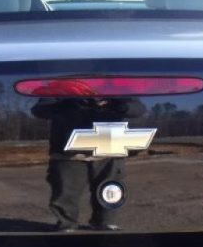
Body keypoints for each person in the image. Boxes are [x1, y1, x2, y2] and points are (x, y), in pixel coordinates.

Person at [31, 96, 145, 231]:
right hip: (69, 152)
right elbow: (39, 110)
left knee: (110, 189)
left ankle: (105, 222)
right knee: (66, 191)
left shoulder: (115, 86)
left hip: (109, 149)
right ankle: (66, 224)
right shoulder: (61, 86)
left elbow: (138, 109)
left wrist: (121, 106)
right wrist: (68, 104)